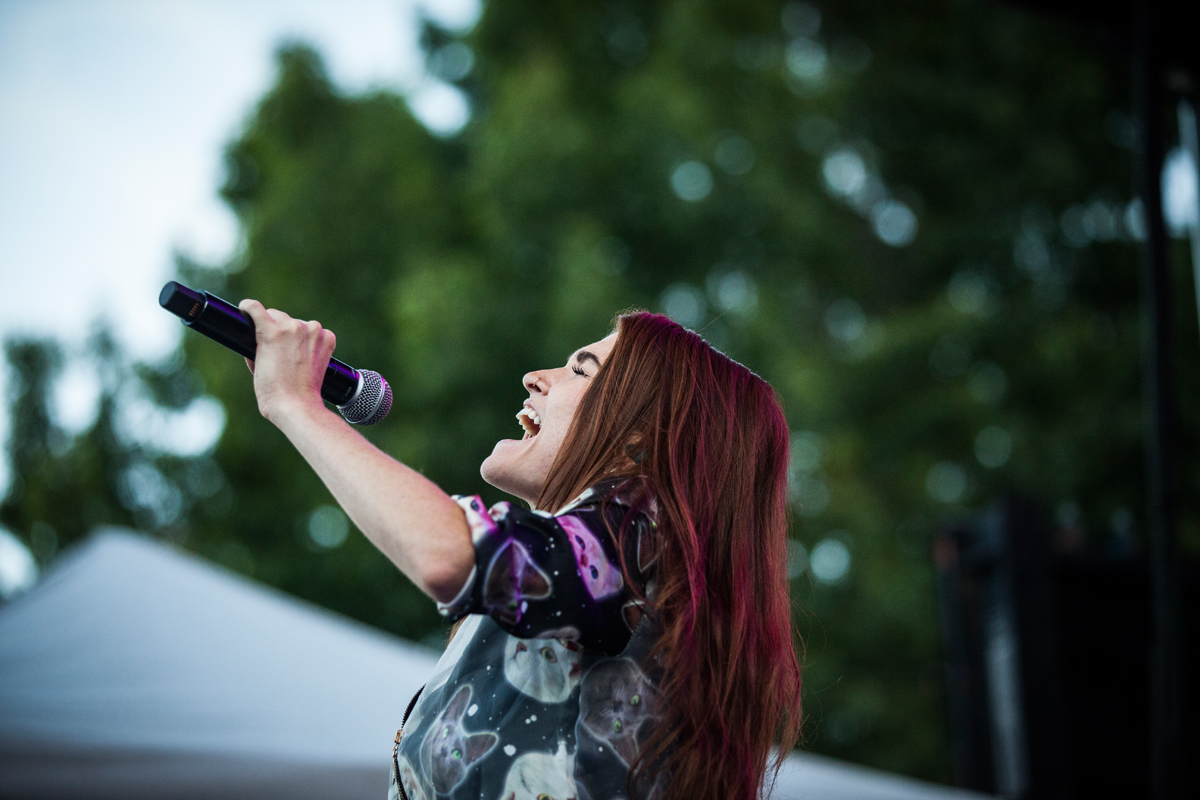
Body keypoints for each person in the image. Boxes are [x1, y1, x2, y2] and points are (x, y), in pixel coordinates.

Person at [238, 300, 803, 800]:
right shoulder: (587, 572)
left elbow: (447, 556)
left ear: (642, 436)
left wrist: (298, 405)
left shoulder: (640, 539)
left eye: (583, 369)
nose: (536, 377)